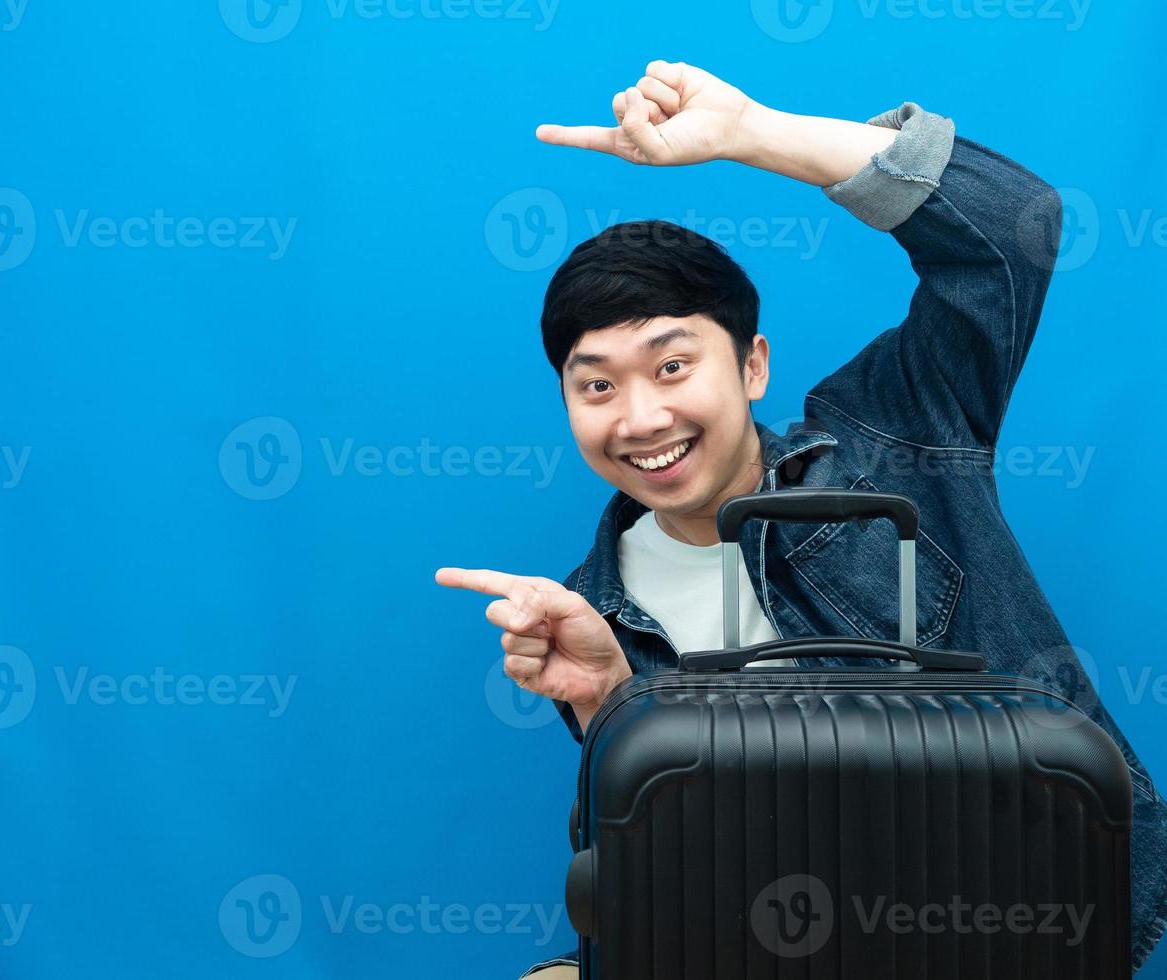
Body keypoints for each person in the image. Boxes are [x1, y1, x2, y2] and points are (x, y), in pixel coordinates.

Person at [436, 60, 1167, 977]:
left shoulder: (894, 433)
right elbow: (693, 866)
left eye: (671, 366)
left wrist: (749, 132)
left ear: (751, 367)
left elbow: (1011, 230)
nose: (640, 419)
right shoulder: (599, 609)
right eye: (596, 385)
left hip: (1014, 933)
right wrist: (609, 702)